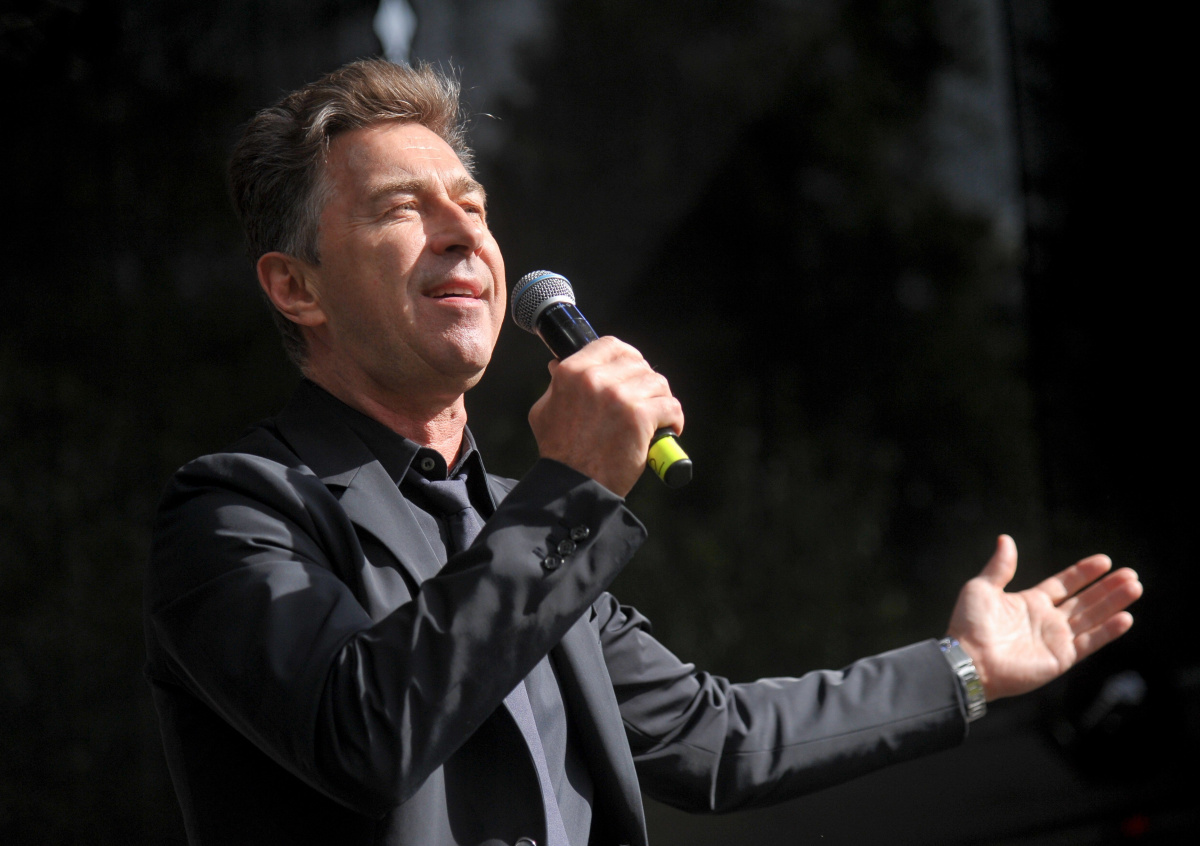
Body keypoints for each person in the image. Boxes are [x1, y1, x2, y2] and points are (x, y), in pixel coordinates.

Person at [143, 59, 1143, 846]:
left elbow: (715, 739)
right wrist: (571, 490)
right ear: (297, 287)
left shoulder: (518, 521)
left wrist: (966, 669)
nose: (462, 233)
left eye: (473, 206)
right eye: (404, 208)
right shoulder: (235, 515)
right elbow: (363, 737)